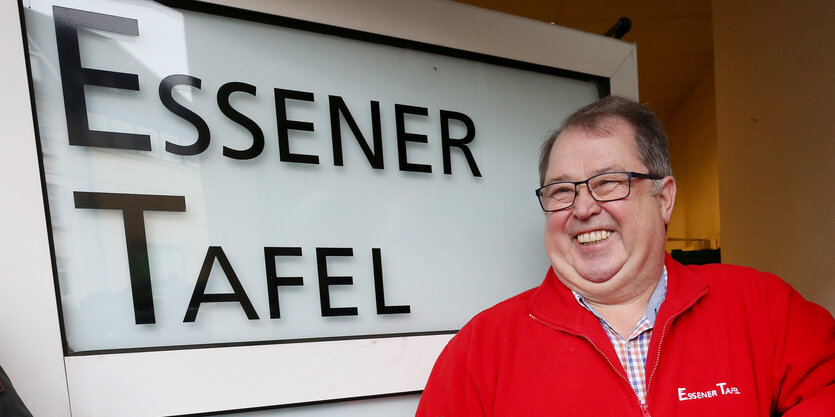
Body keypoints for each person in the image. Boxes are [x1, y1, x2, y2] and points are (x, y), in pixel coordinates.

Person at [415, 96, 835, 416]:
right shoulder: (481, 349)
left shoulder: (761, 306)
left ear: (664, 198)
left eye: (609, 182)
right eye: (562, 191)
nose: (582, 209)